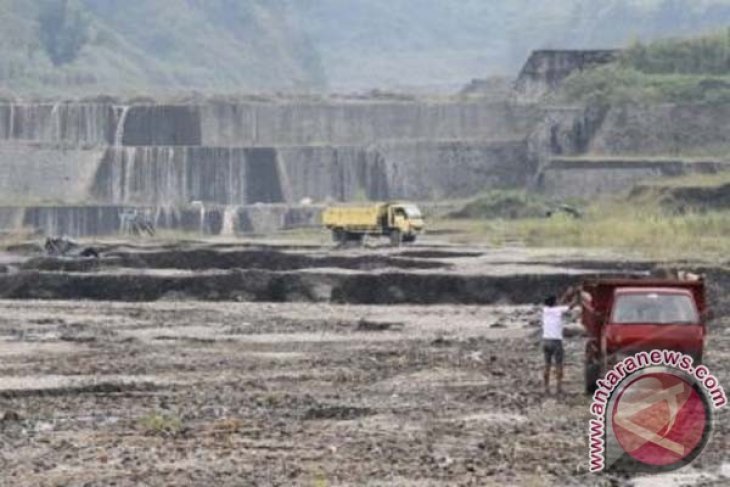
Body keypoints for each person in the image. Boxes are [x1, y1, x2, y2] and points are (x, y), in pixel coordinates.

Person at [542, 287, 578, 395]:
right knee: (558, 364)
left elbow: (559, 305)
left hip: (545, 340)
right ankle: (558, 387)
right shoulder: (558, 310)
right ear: (555, 302)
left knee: (547, 365)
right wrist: (576, 295)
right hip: (556, 341)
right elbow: (571, 306)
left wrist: (566, 294)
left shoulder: (545, 310)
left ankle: (546, 388)